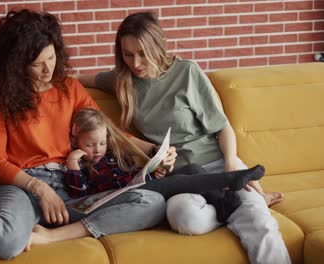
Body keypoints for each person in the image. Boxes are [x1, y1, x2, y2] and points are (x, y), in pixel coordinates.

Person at [0, 9, 173, 260]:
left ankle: (54, 235)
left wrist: (152, 151)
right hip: (23, 187)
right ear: (16, 64)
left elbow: (110, 132)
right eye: (38, 63)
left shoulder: (70, 89)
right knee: (6, 242)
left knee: (151, 202)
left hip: (73, 185)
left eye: (51, 58)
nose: (48, 69)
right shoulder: (2, 100)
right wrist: (39, 188)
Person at [76, 11, 291, 264]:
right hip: (179, 178)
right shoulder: (123, 80)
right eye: (128, 54)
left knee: (260, 225)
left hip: (217, 165)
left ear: (158, 46)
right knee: (183, 217)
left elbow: (223, 127)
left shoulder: (187, 72)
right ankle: (234, 208)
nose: (136, 63)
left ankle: (247, 206)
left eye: (143, 53)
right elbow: (77, 82)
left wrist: (231, 161)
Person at [63, 108, 265, 223]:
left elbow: (130, 173)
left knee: (193, 169)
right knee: (178, 181)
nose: (97, 149)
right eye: (89, 145)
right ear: (76, 142)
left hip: (143, 185)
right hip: (126, 198)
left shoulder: (110, 155)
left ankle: (222, 205)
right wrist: (73, 163)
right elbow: (78, 194)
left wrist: (152, 171)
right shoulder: (79, 167)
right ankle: (231, 178)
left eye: (102, 143)